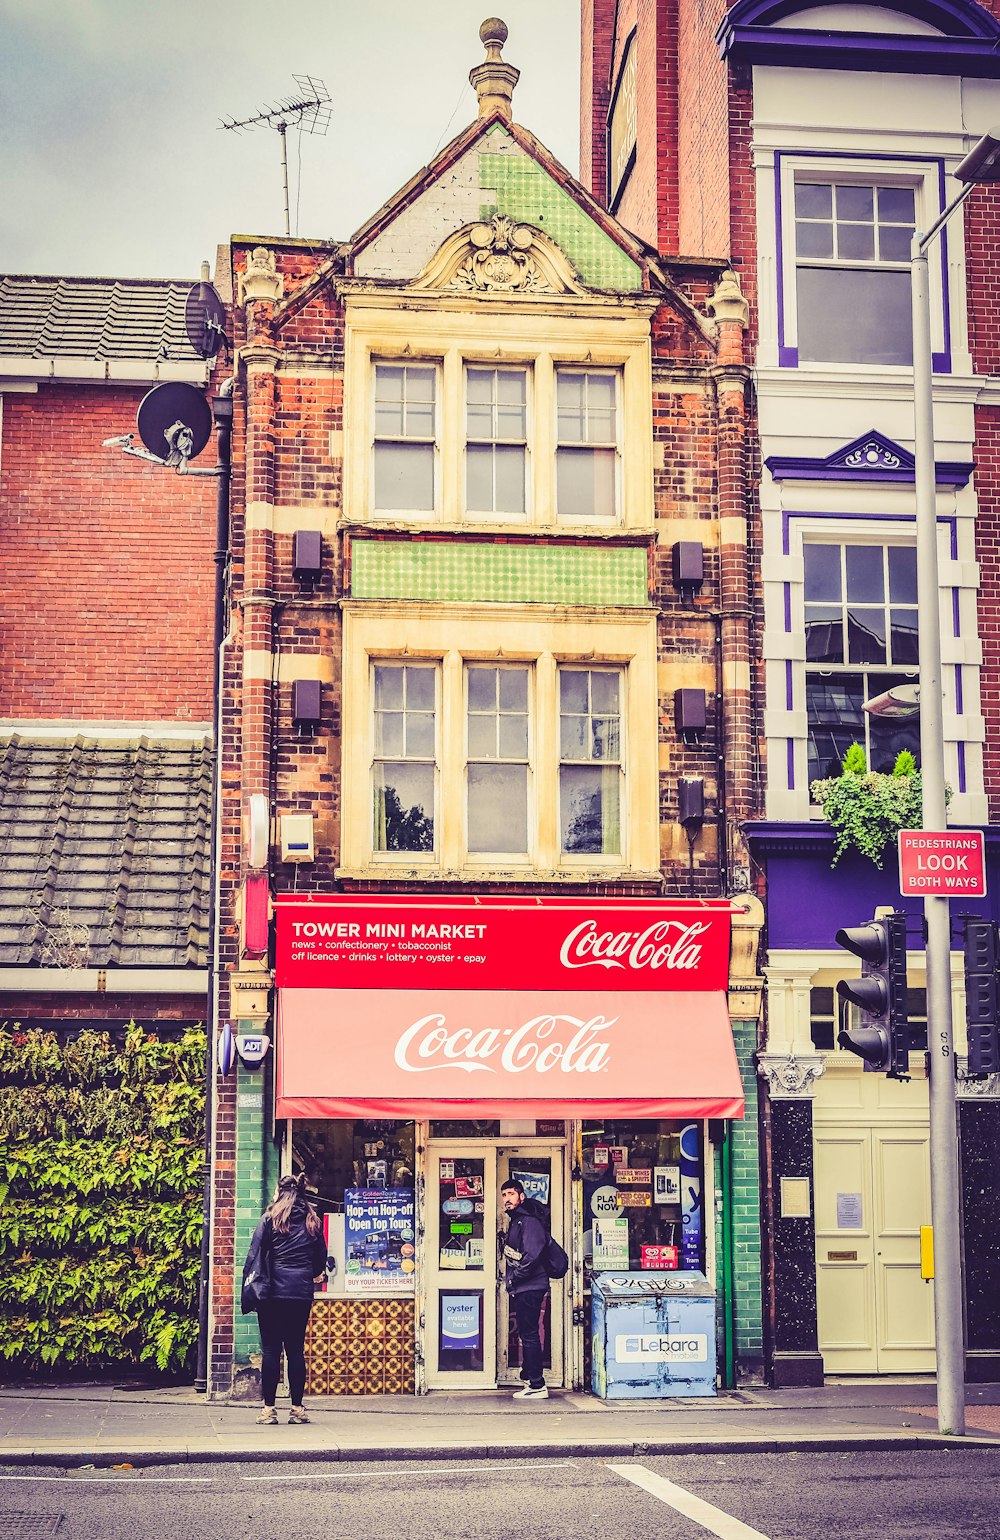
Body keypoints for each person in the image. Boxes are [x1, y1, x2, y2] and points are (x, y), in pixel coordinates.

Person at [253, 1172, 327, 1425]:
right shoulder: (312, 1221)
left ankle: (269, 1410)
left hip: (272, 1293)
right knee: (296, 1350)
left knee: (271, 1350)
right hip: (300, 1293)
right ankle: (297, 1409)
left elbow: (255, 1255)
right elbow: (320, 1259)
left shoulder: (268, 1220)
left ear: (279, 1193)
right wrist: (314, 1274)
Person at [500, 1178, 550, 1399]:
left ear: (521, 1196)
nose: (507, 1199)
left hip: (530, 1286)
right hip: (525, 1285)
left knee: (529, 1334)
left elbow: (532, 1254)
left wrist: (514, 1280)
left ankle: (537, 1384)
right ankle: (529, 1375)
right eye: (504, 1195)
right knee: (526, 1332)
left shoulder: (528, 1221)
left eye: (511, 1194)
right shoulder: (518, 1220)